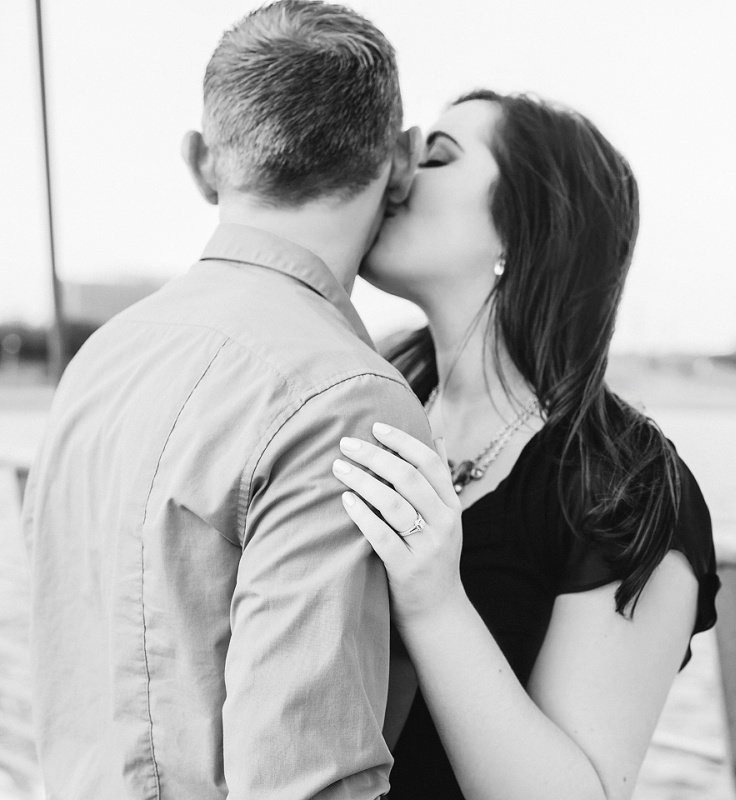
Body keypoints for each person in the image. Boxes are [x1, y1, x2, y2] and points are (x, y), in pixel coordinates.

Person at [20, 3, 428, 797]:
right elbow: (307, 778)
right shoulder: (345, 399)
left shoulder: (105, 356)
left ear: (202, 162)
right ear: (403, 163)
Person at [330, 90, 721, 800]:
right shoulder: (360, 398)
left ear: (522, 225)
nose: (394, 171)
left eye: (436, 156)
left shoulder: (620, 487)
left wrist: (434, 601)